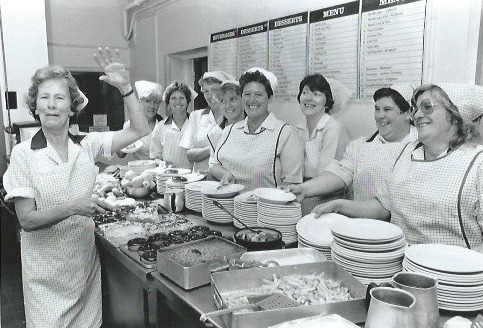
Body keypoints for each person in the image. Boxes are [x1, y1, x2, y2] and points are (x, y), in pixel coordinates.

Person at [2, 47, 151, 327]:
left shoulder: (86, 145)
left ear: (73, 106)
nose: (51, 104)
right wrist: (75, 207)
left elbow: (139, 130)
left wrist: (126, 89)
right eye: (44, 98)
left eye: (59, 98)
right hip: (45, 278)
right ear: (35, 106)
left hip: (83, 271)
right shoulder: (24, 154)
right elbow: (27, 220)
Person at [312, 84, 483, 251]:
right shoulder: (408, 152)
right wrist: (340, 206)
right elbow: (384, 206)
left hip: (456, 271)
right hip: (404, 265)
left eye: (427, 107)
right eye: (416, 108)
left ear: (454, 115)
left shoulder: (477, 162)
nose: (417, 115)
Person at [284, 86, 418, 204]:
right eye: (377, 109)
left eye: (387, 109)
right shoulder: (359, 146)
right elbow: (338, 174)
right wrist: (304, 189)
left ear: (407, 113)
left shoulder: (423, 147)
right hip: (361, 223)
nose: (380, 115)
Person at [209, 67, 304, 191]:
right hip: (228, 205)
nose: (252, 100)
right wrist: (225, 174)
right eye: (247, 94)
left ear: (270, 98)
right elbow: (215, 164)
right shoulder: (230, 130)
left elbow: (292, 184)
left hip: (266, 207)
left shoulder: (285, 133)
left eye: (258, 95)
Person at [293, 74, 351, 214]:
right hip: (301, 196)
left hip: (327, 202)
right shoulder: (298, 129)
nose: (309, 98)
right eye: (305, 92)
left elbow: (327, 176)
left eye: (316, 94)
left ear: (327, 101)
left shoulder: (333, 129)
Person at [179, 70, 234, 171]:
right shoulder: (196, 116)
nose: (210, 95)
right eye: (206, 91)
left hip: (227, 178)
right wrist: (212, 148)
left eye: (214, 89)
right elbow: (189, 155)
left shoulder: (234, 117)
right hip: (200, 180)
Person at [150, 81, 195, 168]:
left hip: (192, 177)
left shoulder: (195, 124)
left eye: (181, 98)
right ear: (168, 104)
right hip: (168, 176)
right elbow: (155, 157)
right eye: (173, 98)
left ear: (188, 103)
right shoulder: (160, 127)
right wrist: (161, 163)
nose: (178, 102)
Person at [117, 80, 163, 159]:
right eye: (148, 101)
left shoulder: (165, 123)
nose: (152, 106)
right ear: (140, 102)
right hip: (140, 169)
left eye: (156, 102)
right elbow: (121, 154)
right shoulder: (130, 125)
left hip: (163, 169)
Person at [206, 80, 246, 154]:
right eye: (222, 101)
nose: (228, 105)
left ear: (243, 100)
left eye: (233, 99)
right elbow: (214, 163)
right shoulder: (215, 134)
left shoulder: (255, 129)